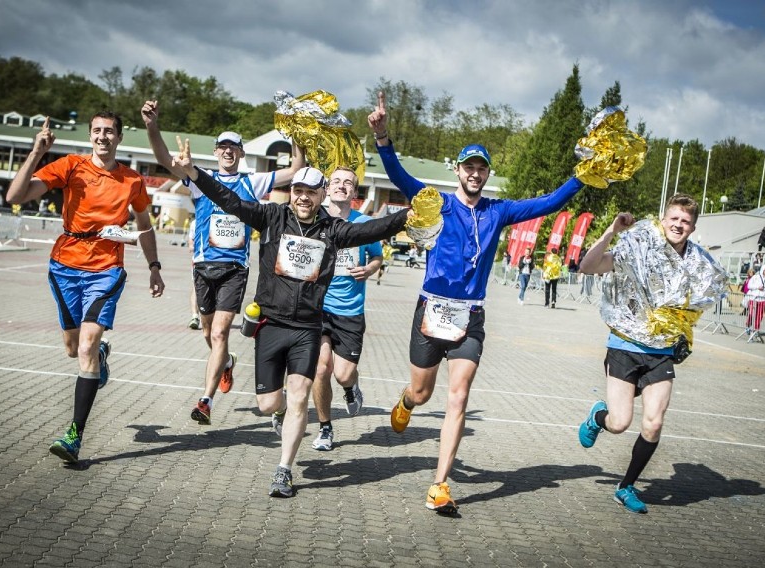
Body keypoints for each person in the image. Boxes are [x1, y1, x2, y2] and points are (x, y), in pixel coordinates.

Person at [368, 91, 584, 514]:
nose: (474, 173)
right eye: (468, 166)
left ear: (486, 174)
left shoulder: (499, 211)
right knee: (423, 391)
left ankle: (440, 485)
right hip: (432, 310)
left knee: (459, 395)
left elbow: (548, 204)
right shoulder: (439, 202)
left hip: (470, 316)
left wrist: (581, 177)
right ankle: (406, 402)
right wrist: (383, 138)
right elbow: (400, 178)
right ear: (458, 170)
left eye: (481, 168)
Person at [169, 140, 412, 498]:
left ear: (320, 195)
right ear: (291, 192)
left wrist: (410, 215)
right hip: (270, 326)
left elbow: (373, 230)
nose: (302, 198)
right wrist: (194, 173)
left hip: (307, 329)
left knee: (300, 397)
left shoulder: (333, 229)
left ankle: (284, 470)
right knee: (270, 404)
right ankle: (279, 414)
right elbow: (228, 199)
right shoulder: (271, 217)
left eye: (310, 192)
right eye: (297, 190)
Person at [6, 113, 165, 464]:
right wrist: (36, 153)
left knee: (88, 346)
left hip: (106, 269)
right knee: (73, 348)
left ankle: (74, 435)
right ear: (90, 135)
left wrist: (154, 268)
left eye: (109, 131)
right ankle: (100, 357)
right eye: (97, 131)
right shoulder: (69, 166)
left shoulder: (132, 181)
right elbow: (14, 196)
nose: (102, 136)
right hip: (64, 266)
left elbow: (144, 226)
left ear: (119, 137)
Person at [142, 100, 304, 427]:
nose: (228, 151)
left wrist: (295, 132)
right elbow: (162, 159)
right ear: (216, 152)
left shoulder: (253, 182)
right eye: (223, 146)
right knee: (208, 332)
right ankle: (227, 361)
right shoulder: (198, 179)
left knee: (219, 333)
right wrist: (151, 125)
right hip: (203, 268)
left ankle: (205, 401)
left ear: (242, 154)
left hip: (234, 269)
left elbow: (296, 169)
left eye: (234, 147)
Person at [577, 194, 728, 514]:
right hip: (625, 346)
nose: (679, 225)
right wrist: (611, 233)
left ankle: (626, 486)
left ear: (693, 227)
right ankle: (598, 417)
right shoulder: (638, 249)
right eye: (674, 218)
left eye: (685, 221)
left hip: (661, 352)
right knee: (619, 423)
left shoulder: (697, 264)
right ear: (663, 220)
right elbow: (588, 266)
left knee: (654, 422)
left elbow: (706, 296)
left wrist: (684, 329)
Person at [310, 167, 383, 451]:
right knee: (320, 369)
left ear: (354, 193)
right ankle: (325, 427)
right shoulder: (315, 219)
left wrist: (369, 269)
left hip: (350, 311)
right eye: (337, 182)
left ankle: (351, 388)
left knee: (342, 374)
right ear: (327, 188)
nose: (342, 186)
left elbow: (377, 257)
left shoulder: (364, 223)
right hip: (317, 307)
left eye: (348, 183)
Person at [744, 265, 765, 333]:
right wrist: (757, 287)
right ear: (762, 270)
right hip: (754, 299)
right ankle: (748, 326)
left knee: (759, 316)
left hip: (763, 300)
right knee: (751, 314)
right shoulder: (755, 277)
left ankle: (756, 330)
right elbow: (749, 286)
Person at [187, 219, 200, 330]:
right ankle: (195, 316)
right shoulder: (195, 222)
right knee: (196, 287)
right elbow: (191, 239)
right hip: (198, 260)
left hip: (215, 261)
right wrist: (191, 246)